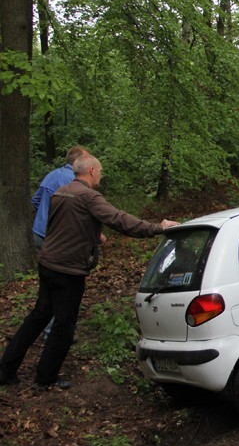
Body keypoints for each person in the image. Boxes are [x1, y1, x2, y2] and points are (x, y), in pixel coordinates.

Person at [0, 155, 179, 390]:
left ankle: (5, 370)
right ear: (92, 170)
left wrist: (93, 235)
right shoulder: (89, 197)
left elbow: (63, 227)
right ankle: (45, 378)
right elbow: (120, 220)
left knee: (38, 316)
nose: (102, 175)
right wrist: (159, 228)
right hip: (67, 271)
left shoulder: (61, 192)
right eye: (101, 171)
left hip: (48, 264)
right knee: (63, 325)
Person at [32, 145, 90, 248]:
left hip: (39, 231)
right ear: (77, 161)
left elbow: (36, 200)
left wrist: (44, 215)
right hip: (58, 237)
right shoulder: (73, 180)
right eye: (87, 160)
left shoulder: (51, 174)